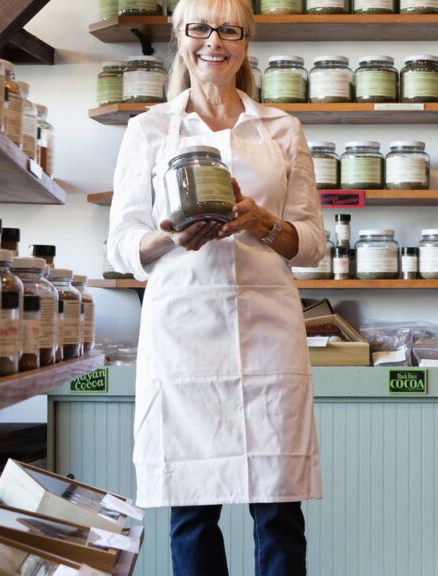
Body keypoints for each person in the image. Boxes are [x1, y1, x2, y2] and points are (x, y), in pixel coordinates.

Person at [106, 0, 323, 573]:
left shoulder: (282, 128)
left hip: (268, 329)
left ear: (247, 41)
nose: (214, 42)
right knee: (191, 511)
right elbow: (122, 243)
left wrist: (258, 221)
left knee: (278, 511)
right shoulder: (149, 128)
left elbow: (312, 242)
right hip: (182, 335)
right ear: (179, 36)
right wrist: (167, 238)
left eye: (230, 30)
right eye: (199, 28)